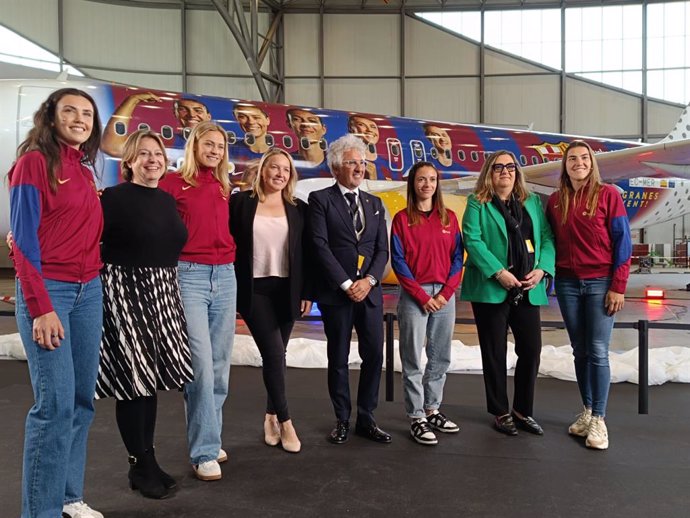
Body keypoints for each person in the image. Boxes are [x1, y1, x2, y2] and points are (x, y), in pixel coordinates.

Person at [9, 88, 105, 518]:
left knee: (82, 400)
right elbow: (24, 243)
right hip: (50, 293)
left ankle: (68, 497)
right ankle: (40, 511)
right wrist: (41, 305)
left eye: (87, 113)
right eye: (70, 110)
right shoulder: (33, 164)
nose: (80, 118)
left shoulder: (85, 170)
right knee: (54, 406)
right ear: (51, 117)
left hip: (89, 292)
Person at [95, 130, 193, 499]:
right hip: (125, 293)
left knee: (149, 383)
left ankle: (148, 461)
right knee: (132, 382)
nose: (152, 159)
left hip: (163, 293)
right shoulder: (112, 199)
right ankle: (139, 465)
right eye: (144, 154)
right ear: (129, 162)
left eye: (158, 153)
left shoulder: (166, 200)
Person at [158, 121, 237, 481]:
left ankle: (210, 434)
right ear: (194, 145)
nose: (215, 151)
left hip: (225, 275)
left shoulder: (223, 185)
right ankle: (203, 449)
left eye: (220, 146)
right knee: (201, 367)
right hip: (188, 275)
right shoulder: (173, 183)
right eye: (209, 144)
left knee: (220, 366)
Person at [461, 150, 555, 437]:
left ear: (517, 172)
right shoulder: (477, 202)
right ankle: (501, 411)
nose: (505, 172)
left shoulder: (533, 203)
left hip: (527, 286)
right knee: (494, 352)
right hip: (493, 287)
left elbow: (548, 239)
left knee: (531, 350)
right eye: (498, 167)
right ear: (489, 172)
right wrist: (498, 273)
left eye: (510, 167)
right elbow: (472, 240)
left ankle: (522, 410)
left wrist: (542, 269)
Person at [546, 140, 631, 451]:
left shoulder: (608, 195)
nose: (578, 163)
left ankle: (600, 418)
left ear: (592, 163)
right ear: (565, 165)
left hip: (600, 283)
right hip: (568, 284)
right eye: (572, 159)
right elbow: (549, 242)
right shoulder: (555, 201)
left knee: (597, 350)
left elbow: (622, 242)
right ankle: (587, 410)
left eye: (584, 158)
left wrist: (618, 285)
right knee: (579, 350)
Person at [308, 134, 391, 445]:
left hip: (369, 294)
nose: (360, 168)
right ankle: (342, 419)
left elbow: (381, 250)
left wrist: (368, 281)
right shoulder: (320, 200)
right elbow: (319, 246)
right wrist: (346, 284)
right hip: (337, 294)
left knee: (374, 356)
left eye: (363, 162)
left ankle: (367, 418)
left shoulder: (375, 204)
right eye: (353, 163)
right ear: (335, 168)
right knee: (338, 358)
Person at [230, 148, 313, 454]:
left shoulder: (298, 209)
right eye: (274, 168)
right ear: (262, 170)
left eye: (286, 170)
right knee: (275, 353)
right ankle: (287, 421)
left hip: (287, 290)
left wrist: (307, 292)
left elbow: (306, 256)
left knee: (277, 356)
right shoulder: (240, 203)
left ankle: (270, 416)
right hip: (255, 290)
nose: (280, 174)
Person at [390, 161, 464, 445]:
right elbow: (398, 261)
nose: (427, 185)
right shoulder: (401, 219)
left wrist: (445, 293)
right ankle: (417, 416)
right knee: (412, 358)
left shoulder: (449, 218)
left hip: (445, 295)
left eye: (432, 179)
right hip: (414, 295)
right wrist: (422, 296)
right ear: (414, 184)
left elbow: (458, 258)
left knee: (440, 357)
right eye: (422, 179)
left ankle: (433, 409)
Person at [101, 93, 211, 157]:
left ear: (208, 117)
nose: (191, 115)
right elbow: (112, 147)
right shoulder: (170, 142)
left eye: (198, 110)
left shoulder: (225, 148)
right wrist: (133, 100)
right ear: (176, 114)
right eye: (183, 110)